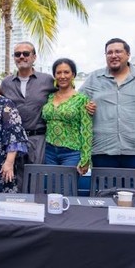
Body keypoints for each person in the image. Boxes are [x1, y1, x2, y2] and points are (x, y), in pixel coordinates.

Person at [81, 38, 135, 170]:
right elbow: (77, 102)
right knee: (104, 190)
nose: (114, 56)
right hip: (103, 148)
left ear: (128, 54)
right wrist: (85, 107)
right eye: (109, 52)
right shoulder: (94, 78)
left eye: (118, 51)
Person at [0, 41, 56, 190]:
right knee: (12, 180)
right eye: (18, 54)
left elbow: (65, 93)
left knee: (36, 181)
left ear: (34, 57)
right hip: (12, 141)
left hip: (38, 138)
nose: (22, 57)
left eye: (26, 53)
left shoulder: (47, 80)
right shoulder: (6, 83)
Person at [42, 58, 92, 192]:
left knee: (67, 190)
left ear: (73, 75)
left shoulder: (82, 99)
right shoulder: (49, 97)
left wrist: (85, 158)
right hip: (49, 151)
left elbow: (87, 130)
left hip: (72, 153)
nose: (62, 76)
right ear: (54, 76)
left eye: (66, 72)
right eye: (58, 73)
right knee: (51, 190)